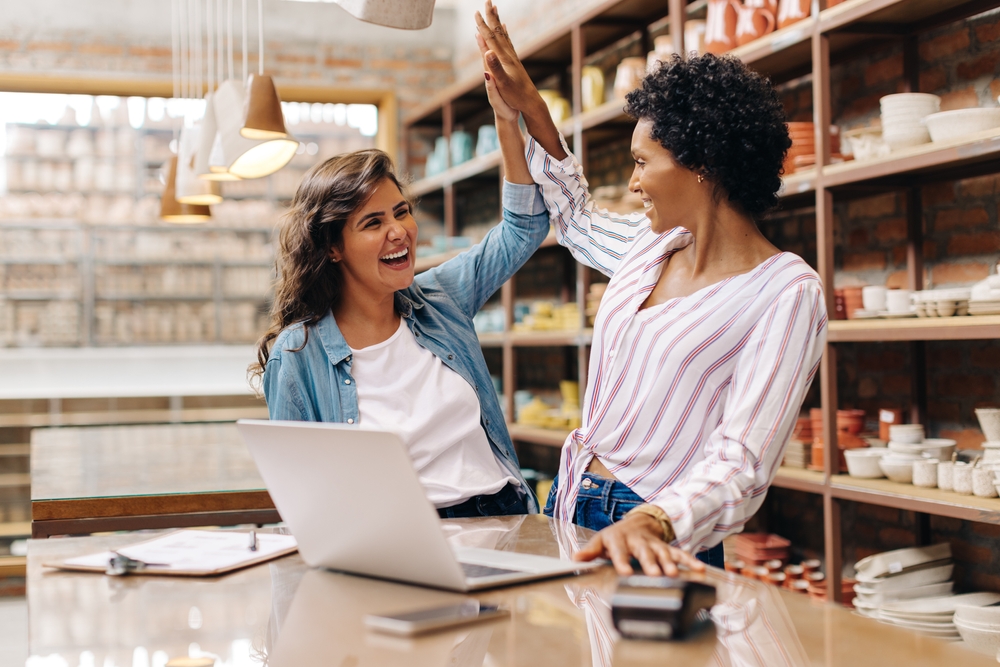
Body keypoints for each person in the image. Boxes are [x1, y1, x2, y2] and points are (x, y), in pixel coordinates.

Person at [475, 0, 827, 575]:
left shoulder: (787, 293)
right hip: (570, 498)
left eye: (642, 162)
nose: (634, 182)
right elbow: (575, 217)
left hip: (656, 527)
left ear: (703, 165)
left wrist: (656, 520)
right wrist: (528, 109)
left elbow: (743, 461)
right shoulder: (650, 245)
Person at [251, 96, 550, 518]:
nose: (399, 232)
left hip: (504, 513)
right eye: (372, 223)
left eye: (401, 212)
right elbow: (301, 498)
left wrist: (506, 118)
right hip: (403, 532)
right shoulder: (298, 353)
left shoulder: (440, 299)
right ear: (333, 247)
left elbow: (525, 228)